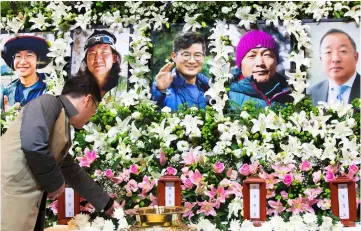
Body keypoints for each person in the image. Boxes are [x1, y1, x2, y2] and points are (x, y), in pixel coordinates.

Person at [1, 76, 120, 231]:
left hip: (23, 203)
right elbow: (33, 145)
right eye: (95, 109)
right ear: (88, 100)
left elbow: (70, 169)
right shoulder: (47, 103)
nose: (92, 116)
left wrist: (106, 203)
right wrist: (56, 184)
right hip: (8, 196)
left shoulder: (61, 118)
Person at [228, 30, 293, 109]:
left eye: (267, 55)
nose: (259, 63)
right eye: (251, 56)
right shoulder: (224, 99)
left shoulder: (292, 95)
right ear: (240, 65)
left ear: (276, 61)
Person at [151, 32, 210, 112]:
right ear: (174, 57)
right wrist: (159, 91)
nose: (192, 61)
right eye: (186, 55)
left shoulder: (211, 87)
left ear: (203, 57)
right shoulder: (164, 87)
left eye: (197, 55)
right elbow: (150, 108)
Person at [309, 29, 360, 106]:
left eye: (343, 51)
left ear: (355, 57)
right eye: (328, 52)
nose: (335, 59)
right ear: (321, 59)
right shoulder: (311, 93)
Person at [0, 36, 51, 112]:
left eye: (29, 55)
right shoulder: (6, 91)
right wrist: (6, 116)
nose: (22, 62)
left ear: (38, 60)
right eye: (18, 56)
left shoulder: (52, 86)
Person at [76, 30, 122, 97]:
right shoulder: (74, 89)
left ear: (114, 58)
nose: (98, 59)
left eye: (104, 53)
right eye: (92, 53)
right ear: (86, 60)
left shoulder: (127, 86)